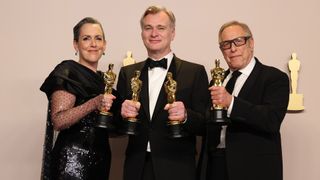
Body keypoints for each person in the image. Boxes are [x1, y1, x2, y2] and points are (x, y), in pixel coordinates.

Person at [117, 5, 209, 180]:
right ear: (141, 33)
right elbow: (118, 128)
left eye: (161, 28)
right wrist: (122, 114)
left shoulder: (195, 72)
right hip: (136, 168)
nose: (154, 33)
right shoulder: (127, 73)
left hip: (177, 168)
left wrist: (186, 116)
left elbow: (205, 124)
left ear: (172, 33)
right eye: (148, 28)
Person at [198, 20, 290, 180]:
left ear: (251, 43)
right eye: (226, 44)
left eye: (238, 41)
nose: (233, 49)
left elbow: (271, 120)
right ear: (221, 49)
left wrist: (231, 102)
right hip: (215, 166)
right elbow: (206, 122)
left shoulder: (274, 78)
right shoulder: (216, 81)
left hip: (253, 168)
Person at [40, 17, 120, 180]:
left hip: (101, 159)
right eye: (86, 38)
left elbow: (111, 130)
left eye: (98, 38)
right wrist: (94, 103)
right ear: (75, 44)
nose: (93, 44)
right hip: (72, 161)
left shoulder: (106, 81)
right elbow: (59, 120)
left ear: (105, 45)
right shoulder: (68, 72)